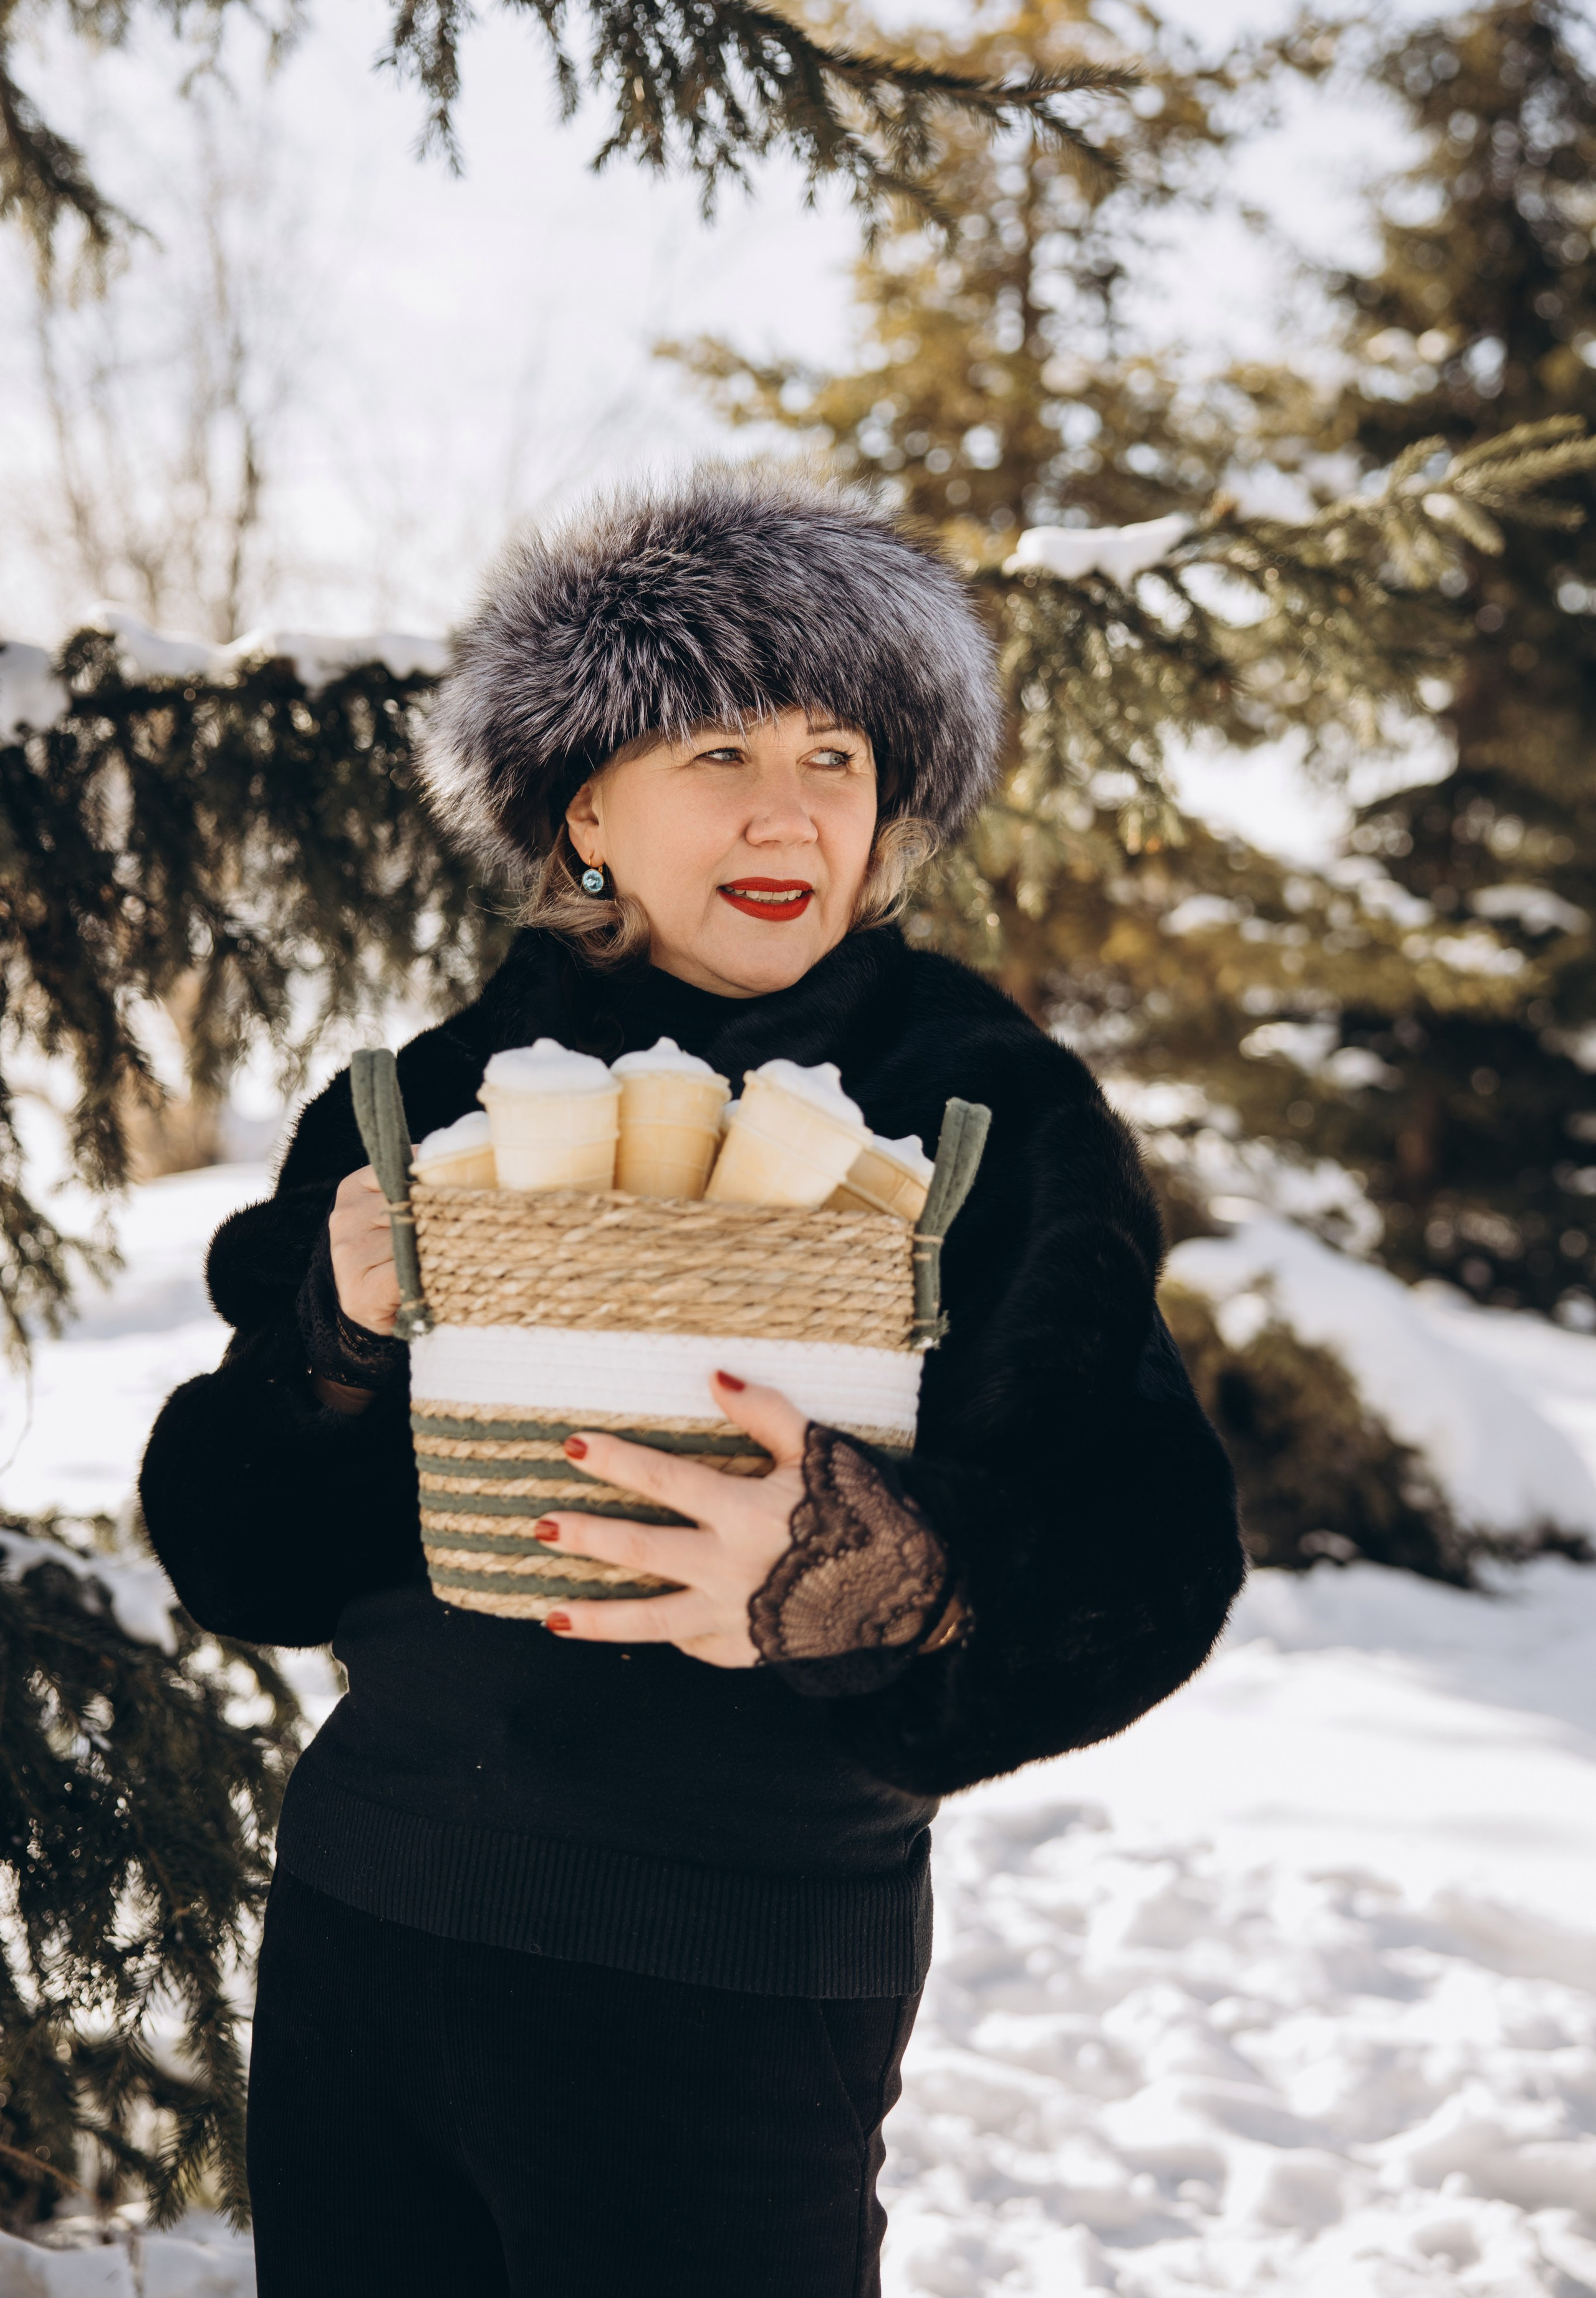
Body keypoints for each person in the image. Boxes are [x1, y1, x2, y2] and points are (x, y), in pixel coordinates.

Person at [140, 466, 1244, 2298]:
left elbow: (1147, 1562)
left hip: (728, 1974)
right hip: (366, 1934)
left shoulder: (981, 1107)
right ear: (587, 805)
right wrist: (325, 1358)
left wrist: (870, 1572)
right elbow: (246, 1558)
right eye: (718, 749)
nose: (788, 806)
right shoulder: (418, 1107)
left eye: (836, 756)